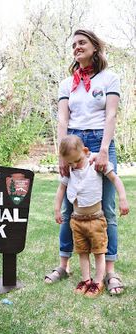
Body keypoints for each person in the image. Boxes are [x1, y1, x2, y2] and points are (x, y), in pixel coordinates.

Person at [45, 29, 125, 295]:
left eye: (82, 43)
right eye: (74, 45)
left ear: (94, 47)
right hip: (74, 142)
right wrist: (61, 154)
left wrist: (103, 150)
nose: (77, 47)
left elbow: (111, 115)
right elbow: (62, 120)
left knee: (108, 209)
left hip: (101, 140)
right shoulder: (67, 84)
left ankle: (110, 273)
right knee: (70, 208)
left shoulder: (109, 79)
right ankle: (64, 265)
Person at [54, 135, 129, 297]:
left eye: (76, 161)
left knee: (99, 252)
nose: (73, 165)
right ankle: (86, 279)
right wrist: (57, 209)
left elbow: (115, 179)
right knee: (82, 252)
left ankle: (98, 281)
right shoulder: (70, 169)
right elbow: (61, 189)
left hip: (96, 220)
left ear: (85, 151)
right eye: (70, 163)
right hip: (77, 221)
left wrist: (122, 198)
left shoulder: (96, 164)